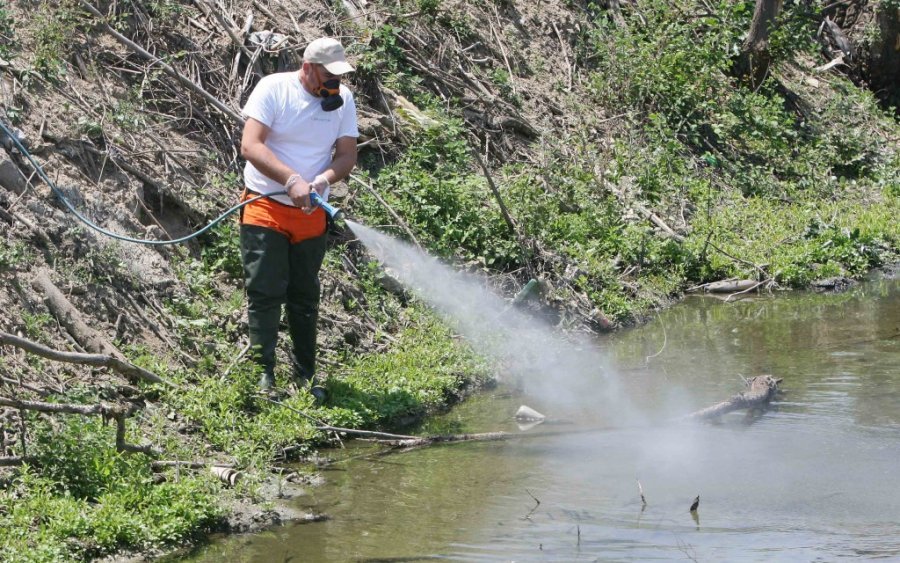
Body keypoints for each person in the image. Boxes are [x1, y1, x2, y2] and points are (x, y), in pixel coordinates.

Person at [239, 37, 358, 393]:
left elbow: (346, 155)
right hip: (265, 204)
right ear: (307, 68)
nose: (334, 84)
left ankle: (306, 373)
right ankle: (264, 374)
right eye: (328, 75)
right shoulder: (274, 89)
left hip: (311, 214)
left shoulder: (343, 101)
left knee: (305, 294)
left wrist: (321, 180)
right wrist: (290, 179)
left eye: (339, 76)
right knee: (265, 289)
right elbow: (251, 144)